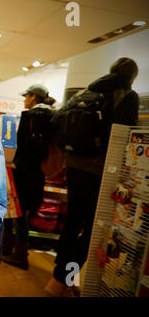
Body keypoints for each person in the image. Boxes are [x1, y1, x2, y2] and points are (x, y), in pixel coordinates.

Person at [45, 57, 140, 297]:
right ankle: (61, 280)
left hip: (74, 166)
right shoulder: (127, 95)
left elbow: (55, 121)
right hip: (100, 171)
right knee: (94, 232)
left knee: (73, 223)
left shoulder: (89, 90)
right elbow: (123, 137)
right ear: (132, 77)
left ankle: (61, 280)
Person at [2, 84, 56, 270]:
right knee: (16, 212)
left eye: (27, 96)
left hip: (26, 175)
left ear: (34, 97)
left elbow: (36, 149)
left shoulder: (37, 116)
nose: (25, 99)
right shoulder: (45, 116)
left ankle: (19, 255)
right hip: (33, 175)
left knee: (18, 213)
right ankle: (7, 249)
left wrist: (18, 163)